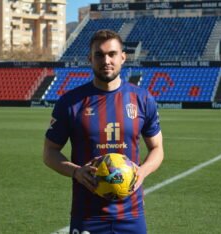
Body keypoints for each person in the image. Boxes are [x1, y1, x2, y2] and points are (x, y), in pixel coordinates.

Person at [43, 29, 164, 234]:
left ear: (123, 57)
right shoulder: (70, 102)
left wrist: (142, 172)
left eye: (112, 54)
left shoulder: (142, 99)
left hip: (131, 214)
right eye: (99, 55)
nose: (106, 60)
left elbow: (157, 148)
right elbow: (49, 153)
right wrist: (76, 172)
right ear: (90, 58)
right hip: (88, 215)